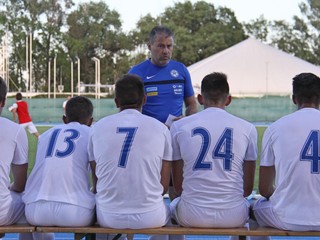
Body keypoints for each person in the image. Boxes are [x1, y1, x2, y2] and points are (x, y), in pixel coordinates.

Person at [170, 72, 257, 230]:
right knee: (252, 209)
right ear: (228, 99)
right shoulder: (248, 128)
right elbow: (247, 189)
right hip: (234, 215)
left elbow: (178, 187)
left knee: (171, 206)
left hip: (191, 213)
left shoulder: (178, 126)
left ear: (200, 98)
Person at [88, 74, 172, 235]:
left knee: (100, 208)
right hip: (150, 215)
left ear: (116, 102)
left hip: (108, 216)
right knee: (171, 214)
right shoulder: (161, 128)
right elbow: (163, 186)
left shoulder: (97, 128)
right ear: (145, 100)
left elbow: (97, 179)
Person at [253, 73, 320, 237]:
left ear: (294, 99)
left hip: (288, 217)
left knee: (251, 210)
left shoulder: (275, 128)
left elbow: (264, 189)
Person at [23, 96, 96, 228]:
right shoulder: (93, 134)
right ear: (91, 121)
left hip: (35, 211)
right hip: (75, 213)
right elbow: (98, 177)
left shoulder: (44, 136)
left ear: (64, 119)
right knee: (107, 205)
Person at [128, 25, 197, 124]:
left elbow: (191, 104)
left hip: (175, 133)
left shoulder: (181, 69)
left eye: (169, 46)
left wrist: (186, 120)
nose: (165, 51)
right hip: (150, 134)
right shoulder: (136, 73)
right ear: (149, 46)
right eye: (161, 46)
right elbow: (128, 111)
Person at [0, 77, 28, 232]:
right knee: (30, 203)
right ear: (3, 102)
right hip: (1, 212)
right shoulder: (15, 130)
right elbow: (20, 184)